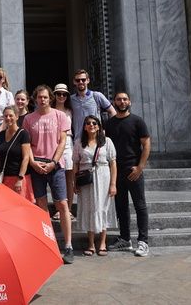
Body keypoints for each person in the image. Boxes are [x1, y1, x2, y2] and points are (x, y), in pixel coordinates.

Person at [22, 85, 73, 264]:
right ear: (35, 99)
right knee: (41, 205)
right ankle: (48, 243)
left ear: (50, 98)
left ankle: (68, 246)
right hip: (36, 163)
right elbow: (26, 145)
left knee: (62, 204)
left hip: (55, 165)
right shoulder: (29, 119)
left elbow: (62, 142)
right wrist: (33, 163)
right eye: (39, 97)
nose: (42, 100)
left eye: (45, 97)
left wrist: (53, 162)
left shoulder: (60, 116)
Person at [105, 92, 151, 257]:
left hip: (134, 170)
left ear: (129, 101)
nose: (122, 102)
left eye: (124, 99)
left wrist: (140, 167)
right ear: (114, 102)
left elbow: (146, 144)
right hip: (117, 171)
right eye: (118, 99)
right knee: (121, 206)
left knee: (140, 205)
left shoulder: (137, 121)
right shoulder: (109, 124)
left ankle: (143, 241)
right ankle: (125, 238)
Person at [72, 115, 117, 257]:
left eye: (94, 123)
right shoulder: (79, 143)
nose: (91, 125)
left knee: (103, 207)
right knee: (88, 207)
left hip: (103, 176)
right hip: (86, 179)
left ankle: (102, 242)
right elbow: (75, 164)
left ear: (98, 126)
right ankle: (91, 243)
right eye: (88, 123)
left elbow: (113, 163)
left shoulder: (107, 142)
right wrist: (75, 182)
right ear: (84, 126)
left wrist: (113, 184)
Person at [0, 106, 34, 202]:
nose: (8, 118)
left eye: (11, 115)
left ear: (16, 116)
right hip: (4, 178)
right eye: (6, 116)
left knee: (20, 209)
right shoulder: (1, 135)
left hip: (19, 178)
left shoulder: (23, 134)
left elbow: (26, 158)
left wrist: (20, 179)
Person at [70, 69, 116, 142]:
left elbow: (112, 111)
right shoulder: (71, 99)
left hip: (97, 139)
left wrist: (109, 130)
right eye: (78, 80)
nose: (81, 82)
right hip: (79, 140)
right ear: (74, 82)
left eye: (83, 80)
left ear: (88, 80)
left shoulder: (97, 96)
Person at [53, 83, 75, 218]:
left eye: (64, 94)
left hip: (67, 141)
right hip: (53, 142)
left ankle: (69, 209)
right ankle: (58, 209)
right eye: (58, 94)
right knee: (56, 177)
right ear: (54, 95)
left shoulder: (71, 111)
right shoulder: (49, 109)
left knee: (69, 178)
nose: (61, 96)